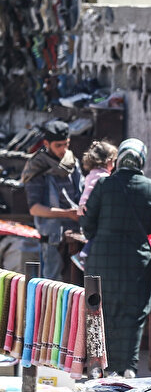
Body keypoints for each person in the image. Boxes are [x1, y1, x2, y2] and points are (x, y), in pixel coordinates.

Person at [81, 139, 151, 378]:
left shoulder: (104, 184)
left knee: (100, 311)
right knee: (133, 313)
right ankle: (128, 367)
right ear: (142, 160)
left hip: (101, 260)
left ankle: (99, 366)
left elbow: (88, 223)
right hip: (136, 262)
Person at [21, 120, 82, 280]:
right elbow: (35, 208)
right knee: (53, 286)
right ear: (46, 143)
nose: (64, 149)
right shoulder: (37, 167)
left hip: (76, 235)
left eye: (66, 144)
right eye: (58, 145)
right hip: (53, 240)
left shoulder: (71, 162)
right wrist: (67, 214)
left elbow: (81, 192)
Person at [74, 141, 118, 267]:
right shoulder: (103, 177)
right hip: (90, 207)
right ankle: (83, 255)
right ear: (109, 161)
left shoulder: (92, 174)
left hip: (84, 207)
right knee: (98, 234)